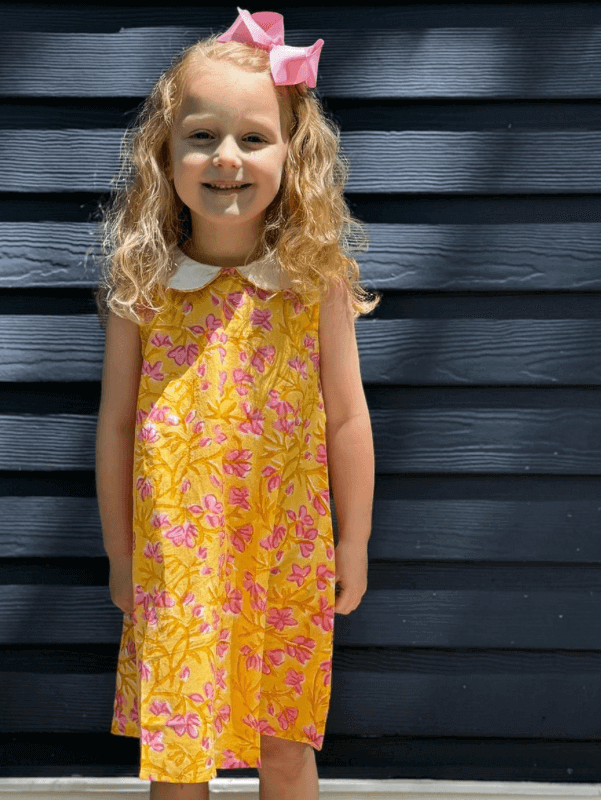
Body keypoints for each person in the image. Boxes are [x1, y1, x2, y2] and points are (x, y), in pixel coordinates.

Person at [94, 7, 380, 798]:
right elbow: (117, 425)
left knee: (286, 749)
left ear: (294, 153)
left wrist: (352, 543)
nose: (227, 158)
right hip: (176, 562)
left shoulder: (314, 281)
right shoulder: (142, 289)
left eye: (254, 138)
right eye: (203, 136)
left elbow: (349, 418)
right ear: (166, 151)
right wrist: (122, 553)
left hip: (287, 556)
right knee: (179, 757)